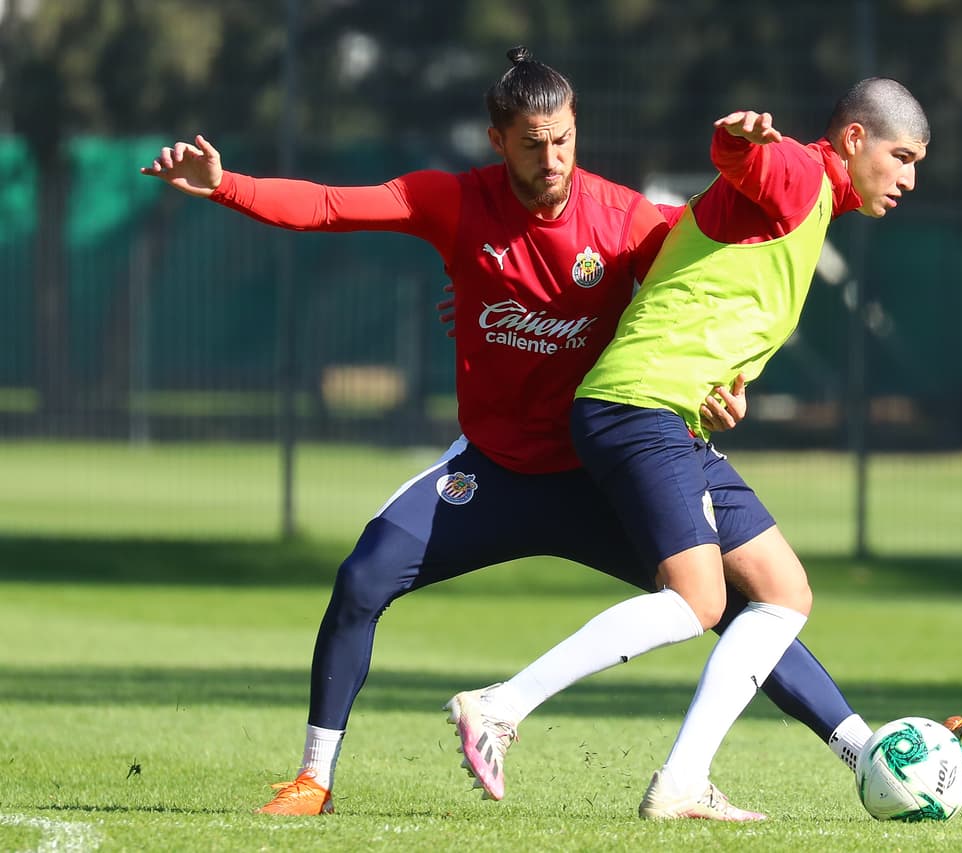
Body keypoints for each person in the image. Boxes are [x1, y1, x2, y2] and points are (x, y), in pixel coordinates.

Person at [140, 47, 880, 817]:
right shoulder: (456, 202)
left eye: (563, 138)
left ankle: (862, 750)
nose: (552, 157)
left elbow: (694, 296)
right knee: (361, 578)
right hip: (491, 472)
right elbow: (330, 205)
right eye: (532, 141)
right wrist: (223, 184)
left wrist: (723, 382)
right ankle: (313, 778)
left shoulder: (624, 218)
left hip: (600, 472)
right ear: (497, 140)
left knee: (733, 601)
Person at [449, 78, 932, 821]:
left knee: (782, 591)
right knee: (700, 600)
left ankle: (682, 781)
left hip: (672, 416)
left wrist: (724, 384)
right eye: (902, 156)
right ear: (856, 141)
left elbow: (712, 292)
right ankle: (501, 706)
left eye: (918, 164)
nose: (909, 178)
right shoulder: (804, 173)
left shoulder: (812, 210)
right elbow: (742, 161)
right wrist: (740, 137)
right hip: (638, 406)